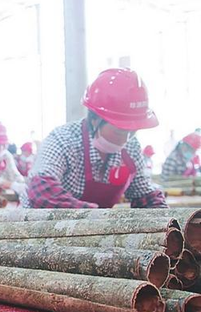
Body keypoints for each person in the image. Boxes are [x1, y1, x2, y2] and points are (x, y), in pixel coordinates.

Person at [22, 68, 166, 209]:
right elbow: (41, 191)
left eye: (132, 132)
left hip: (96, 228)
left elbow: (145, 195)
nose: (126, 139)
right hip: (44, 228)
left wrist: (164, 219)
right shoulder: (63, 140)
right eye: (119, 131)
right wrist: (95, 217)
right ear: (95, 120)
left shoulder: (131, 147)